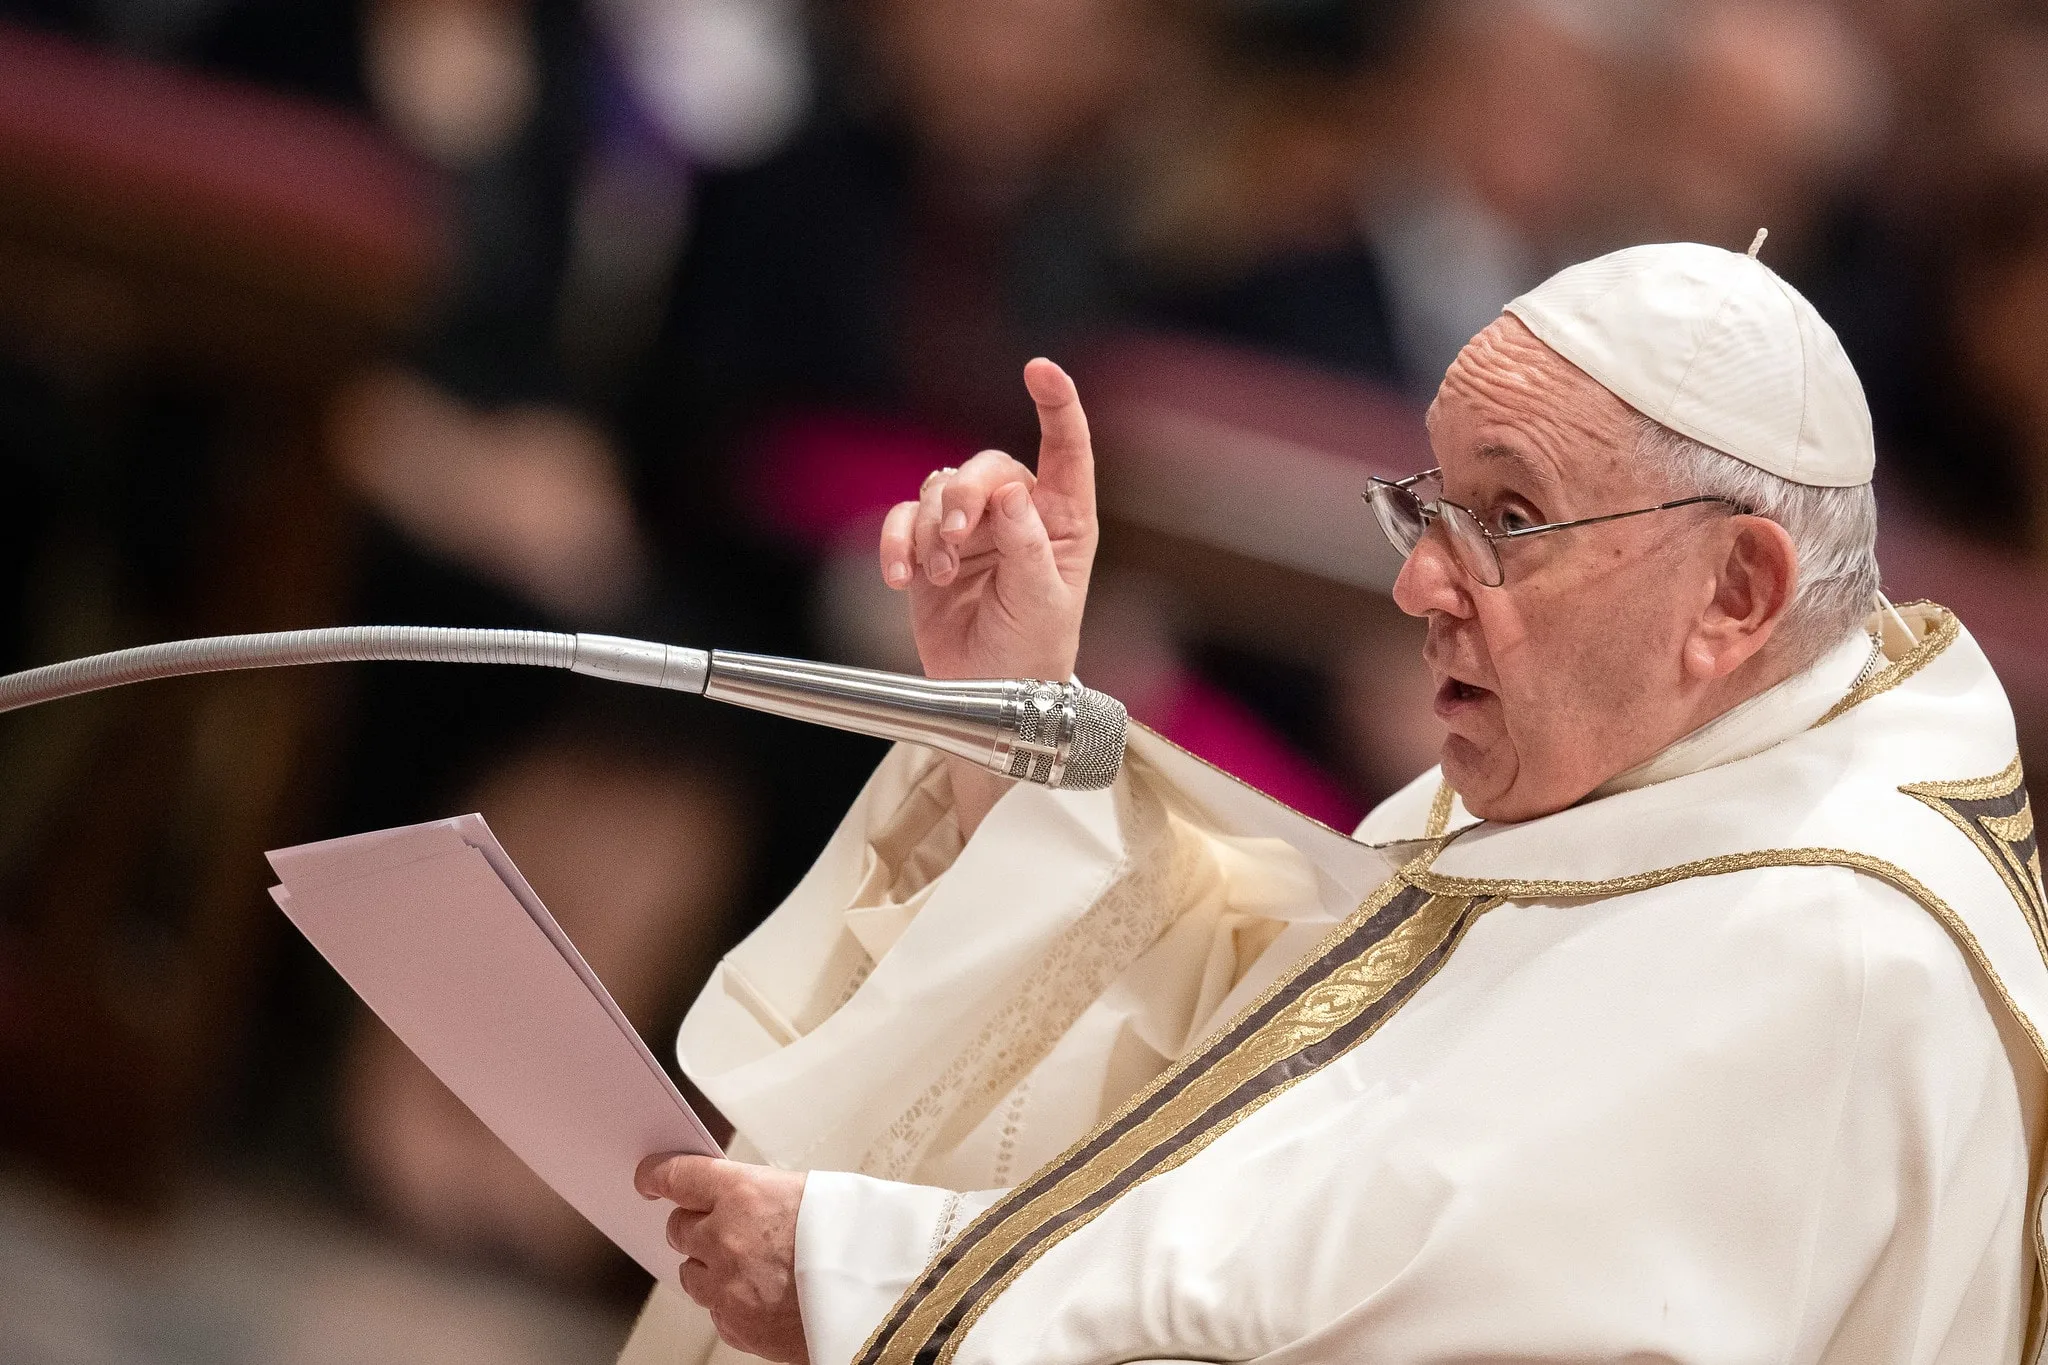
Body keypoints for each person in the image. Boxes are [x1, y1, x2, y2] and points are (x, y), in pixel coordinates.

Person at [617, 241, 2048, 1364]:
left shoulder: (1826, 956)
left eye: (1508, 520)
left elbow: (1403, 1328)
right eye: (1425, 506)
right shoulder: (1642, 775)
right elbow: (1234, 1071)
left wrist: (872, 1279)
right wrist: (1017, 711)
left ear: (1736, 595)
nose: (1419, 581)